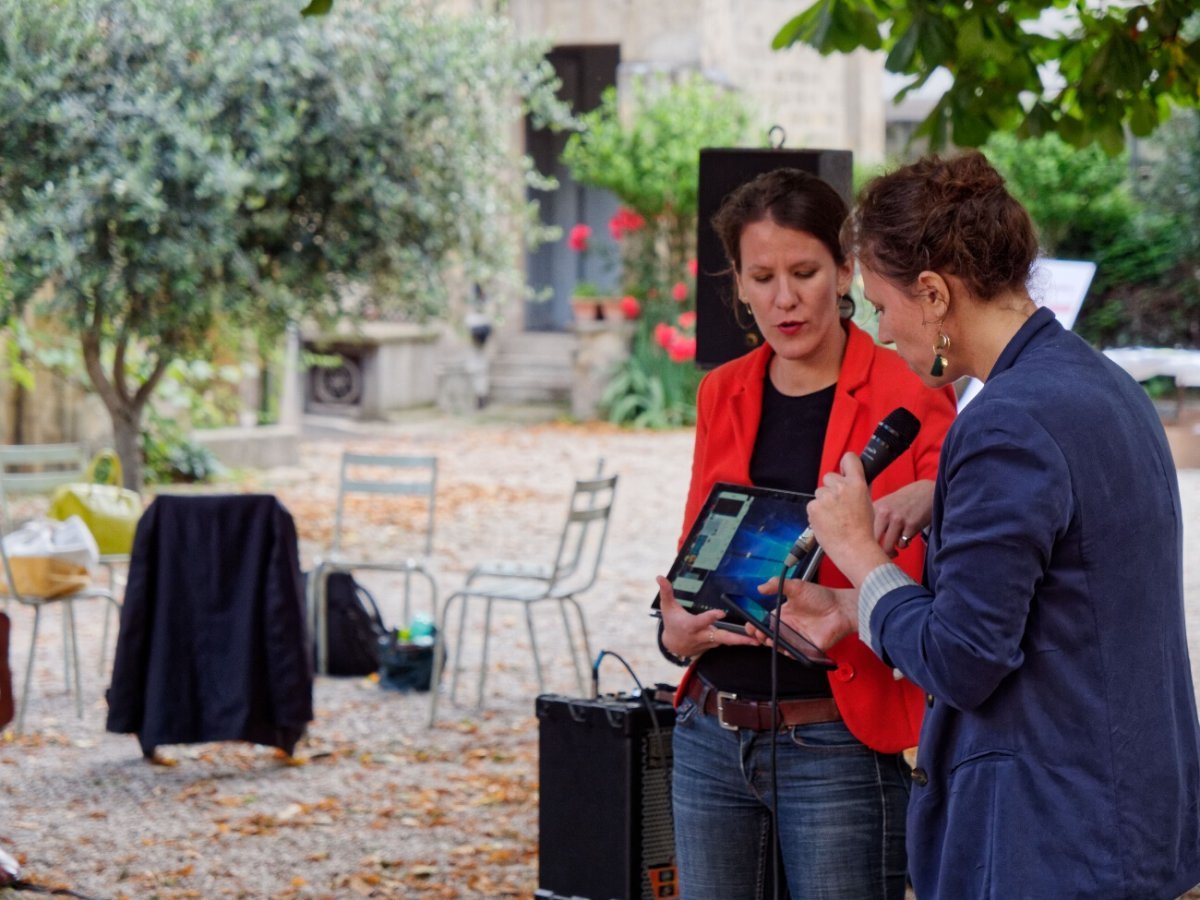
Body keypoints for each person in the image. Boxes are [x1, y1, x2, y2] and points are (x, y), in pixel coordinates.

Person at [771, 151, 1200, 899]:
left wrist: (857, 551)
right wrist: (854, 605)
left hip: (1048, 838)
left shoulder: (1005, 422)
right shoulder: (1103, 385)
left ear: (934, 293)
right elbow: (1068, 599)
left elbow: (964, 660)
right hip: (1125, 820)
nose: (877, 329)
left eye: (880, 303)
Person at [653, 167, 957, 899]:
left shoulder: (912, 390)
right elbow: (700, 549)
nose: (783, 299)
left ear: (846, 269)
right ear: (739, 284)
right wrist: (670, 628)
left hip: (838, 737)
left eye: (804, 272)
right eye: (762, 276)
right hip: (709, 728)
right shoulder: (721, 390)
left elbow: (950, 579)